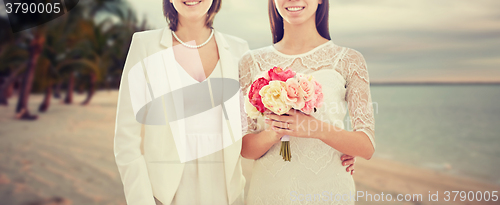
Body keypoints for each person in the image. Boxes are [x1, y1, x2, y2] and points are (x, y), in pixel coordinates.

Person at [113, 0, 249, 204]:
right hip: (165, 196)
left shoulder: (240, 50)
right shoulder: (145, 45)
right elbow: (126, 138)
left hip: (227, 194)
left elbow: (250, 130)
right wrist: (142, 200)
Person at [239, 0, 375, 204]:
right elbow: (244, 148)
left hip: (328, 190)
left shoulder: (349, 60)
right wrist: (274, 132)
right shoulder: (250, 62)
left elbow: (366, 146)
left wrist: (315, 128)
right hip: (270, 192)